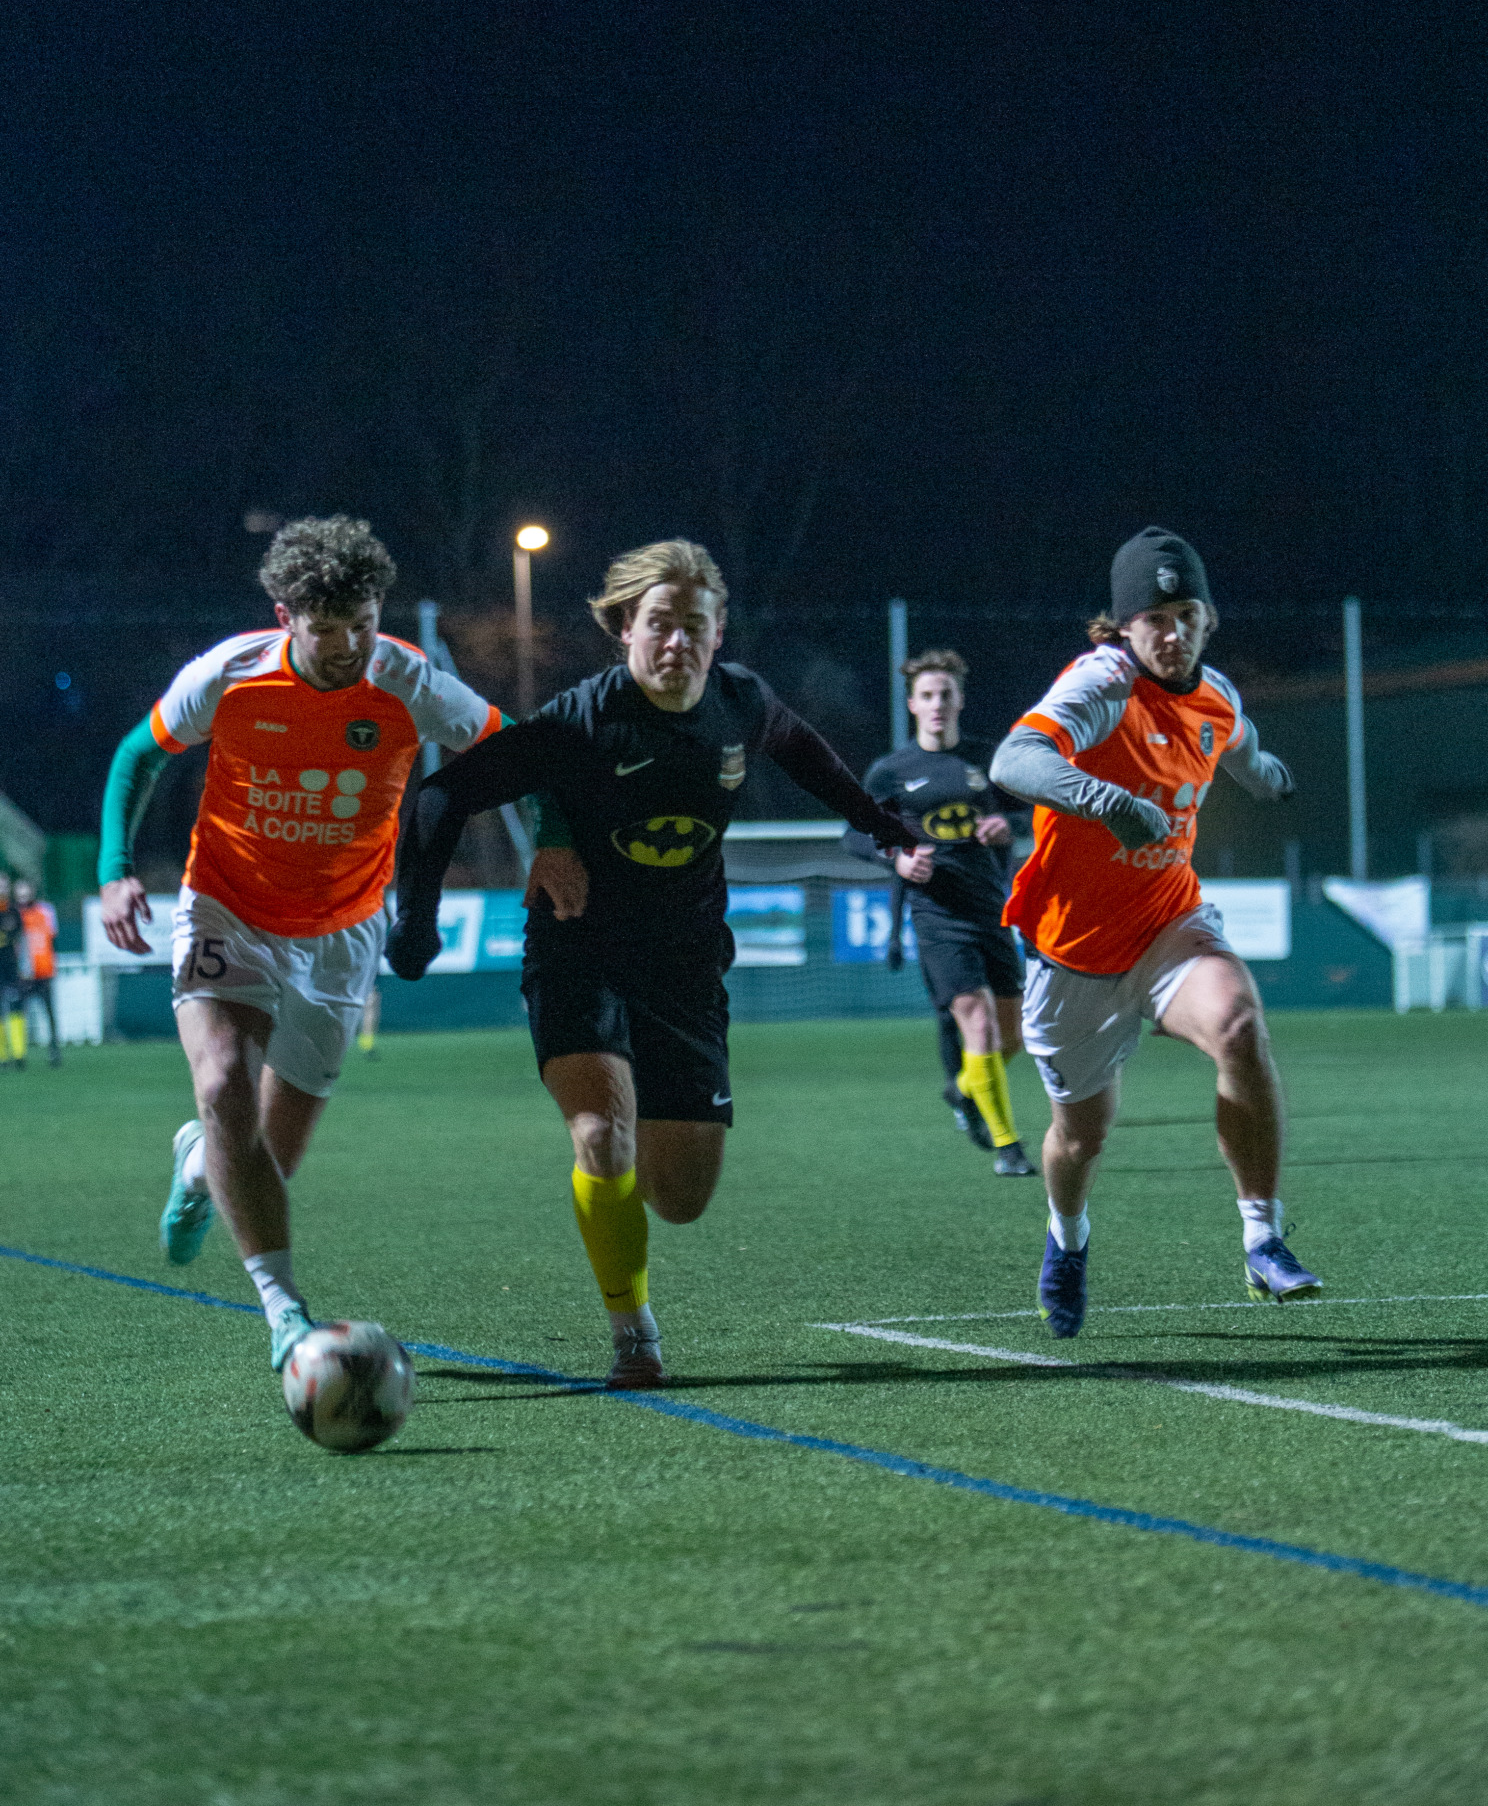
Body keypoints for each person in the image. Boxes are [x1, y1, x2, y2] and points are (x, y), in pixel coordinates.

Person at [386, 538, 916, 1389]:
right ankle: (632, 1329)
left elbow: (806, 754)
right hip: (579, 946)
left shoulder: (743, 704)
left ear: (718, 633)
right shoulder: (583, 718)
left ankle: (619, 1203)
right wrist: (415, 923)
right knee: (601, 1133)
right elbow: (444, 793)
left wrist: (884, 826)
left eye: (694, 626)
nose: (677, 642)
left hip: (685, 959)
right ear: (624, 629)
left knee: (681, 1197)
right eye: (659, 624)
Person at [97, 516, 510, 1371]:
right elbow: (139, 753)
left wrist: (556, 848)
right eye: (327, 629)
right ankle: (285, 1314)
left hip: (342, 933)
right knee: (223, 1084)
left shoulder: (408, 680)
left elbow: (511, 749)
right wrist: (114, 870)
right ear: (285, 616)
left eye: (363, 623)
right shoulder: (230, 674)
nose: (350, 645)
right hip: (228, 908)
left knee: (264, 1159)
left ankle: (198, 1166)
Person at [991, 526, 1321, 1337]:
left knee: (1238, 1024)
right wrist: (1106, 800)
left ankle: (1262, 1238)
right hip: (1074, 954)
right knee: (1080, 1138)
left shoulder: (1216, 694)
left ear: (1209, 618)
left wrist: (1268, 776)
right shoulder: (1102, 683)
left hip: (1169, 923)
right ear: (1123, 627)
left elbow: (1240, 746)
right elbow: (1012, 761)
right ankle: (1068, 1237)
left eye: (1186, 616)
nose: (1173, 635)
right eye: (1155, 621)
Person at [844, 649, 1034, 1175]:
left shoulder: (987, 762)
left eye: (945, 694)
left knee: (1012, 1035)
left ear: (960, 700)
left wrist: (1009, 827)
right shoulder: (891, 771)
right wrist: (898, 858)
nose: (936, 704)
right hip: (936, 915)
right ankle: (1008, 1146)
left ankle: (964, 1087)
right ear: (912, 704)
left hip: (991, 909)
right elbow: (854, 835)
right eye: (926, 695)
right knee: (977, 1022)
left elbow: (1030, 813)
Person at [14, 878, 62, 1066]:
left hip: (44, 970)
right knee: (20, 1012)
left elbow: (52, 938)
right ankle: (19, 1052)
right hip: (24, 972)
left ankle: (54, 1048)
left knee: (48, 1011)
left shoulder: (46, 910)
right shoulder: (14, 913)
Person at [0, 872, 26, 1068]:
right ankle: (2, 1055)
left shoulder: (13, 912)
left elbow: (20, 939)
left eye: (3, 885)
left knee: (16, 1007)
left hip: (10, 966)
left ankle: (19, 1054)